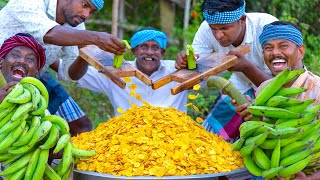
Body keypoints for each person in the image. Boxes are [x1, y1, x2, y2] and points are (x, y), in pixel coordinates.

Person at [0, 0, 125, 134]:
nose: (86, 15)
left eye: (92, 11)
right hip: (4, 71)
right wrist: (95, 37)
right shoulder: (30, 2)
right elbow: (49, 33)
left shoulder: (77, 27)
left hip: (34, 76)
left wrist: (85, 53)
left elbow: (70, 74)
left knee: (81, 127)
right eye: (84, 5)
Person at [175, 0, 278, 141]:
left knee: (265, 135)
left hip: (273, 86)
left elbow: (278, 84)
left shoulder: (267, 27)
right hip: (240, 82)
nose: (218, 35)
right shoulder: (206, 28)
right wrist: (186, 62)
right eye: (214, 29)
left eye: (224, 28)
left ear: (242, 20)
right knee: (210, 136)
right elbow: (197, 69)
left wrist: (246, 67)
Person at [233, 21, 320, 179]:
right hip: (266, 172)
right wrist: (252, 115)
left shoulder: (317, 89)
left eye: (283, 46)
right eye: (268, 48)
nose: (275, 53)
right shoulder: (264, 88)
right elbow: (262, 136)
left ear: (300, 51)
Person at [77, 28, 189, 116]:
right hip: (125, 140)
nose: (149, 52)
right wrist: (84, 52)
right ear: (134, 51)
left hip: (174, 139)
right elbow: (72, 74)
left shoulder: (178, 70)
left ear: (162, 53)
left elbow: (204, 77)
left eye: (155, 48)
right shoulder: (115, 71)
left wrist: (190, 61)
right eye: (144, 47)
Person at [0, 33, 91, 136]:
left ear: (36, 73)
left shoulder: (39, 110)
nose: (22, 61)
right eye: (15, 55)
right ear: (1, 62)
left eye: (30, 59)